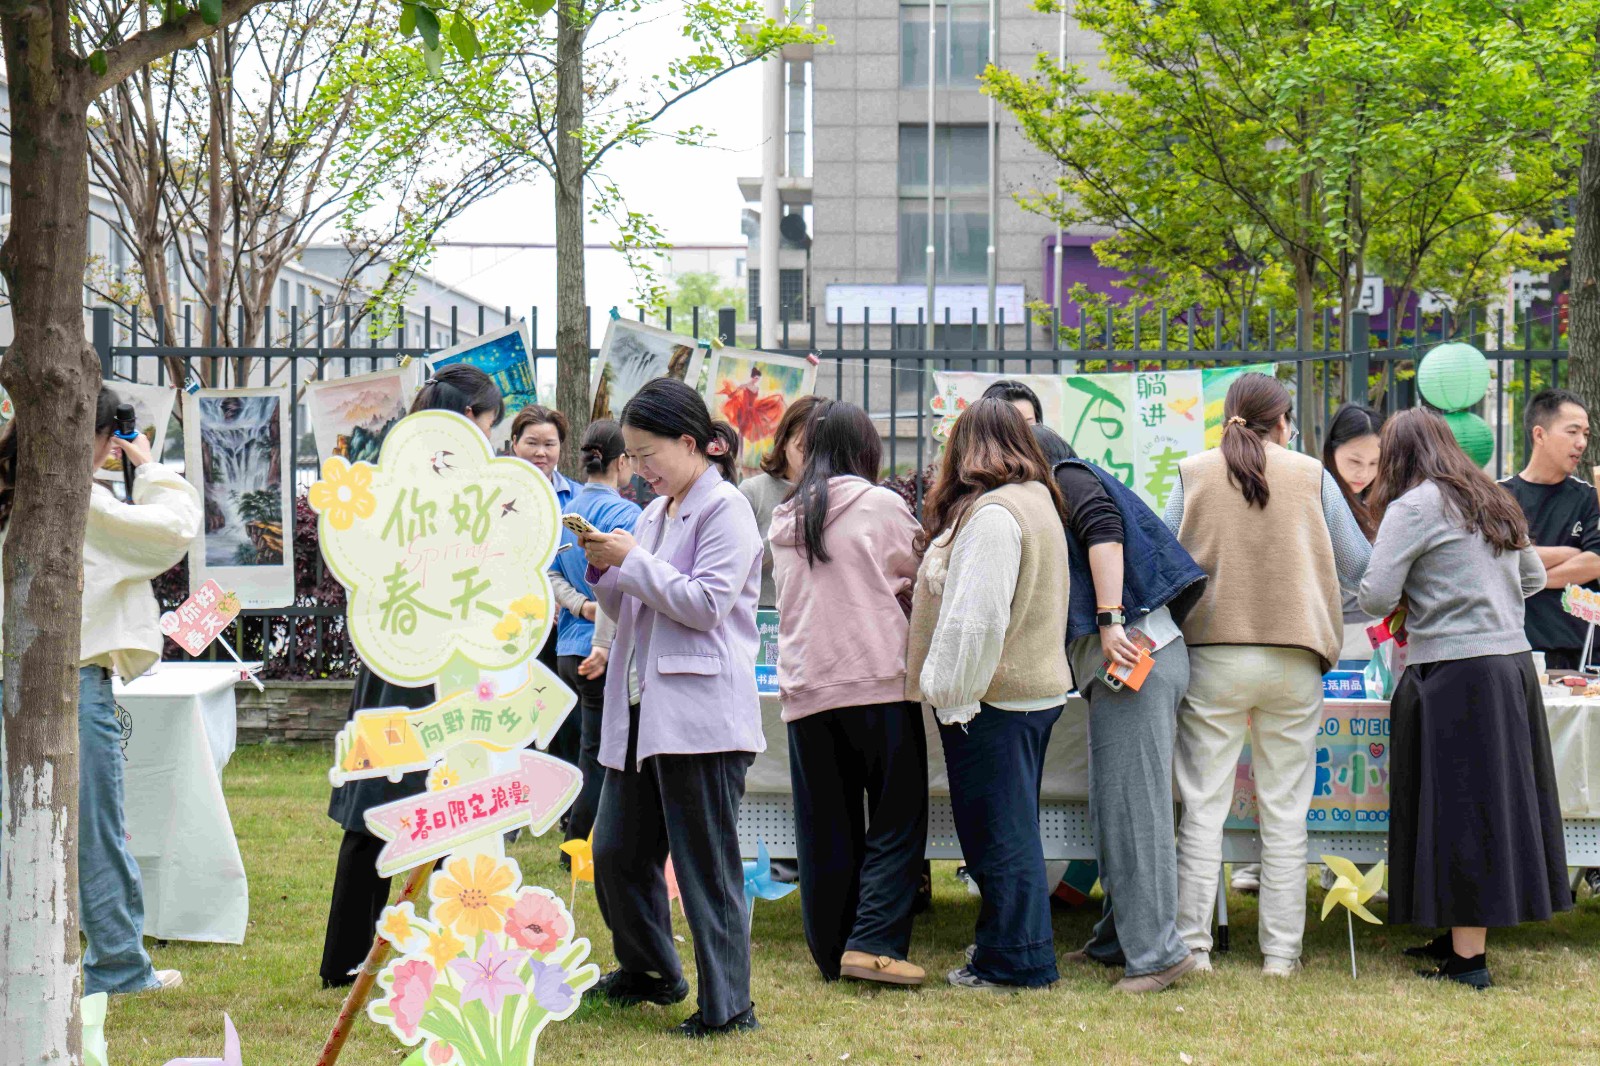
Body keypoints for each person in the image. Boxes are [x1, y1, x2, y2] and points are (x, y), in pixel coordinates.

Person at [1163, 372, 1370, 977]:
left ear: (1227, 416)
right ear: (1284, 422)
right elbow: (1359, 566)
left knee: (1202, 807)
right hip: (1296, 654)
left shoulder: (1193, 472)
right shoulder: (1313, 475)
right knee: (1286, 810)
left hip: (1214, 654)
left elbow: (1162, 556)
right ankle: (1281, 955)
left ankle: (1193, 949)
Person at [578, 377, 765, 1037]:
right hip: (640, 710)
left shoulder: (727, 509)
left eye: (648, 453)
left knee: (705, 867)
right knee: (618, 853)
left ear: (691, 444)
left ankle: (728, 1008)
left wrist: (633, 561)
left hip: (702, 716)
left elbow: (705, 604)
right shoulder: (654, 514)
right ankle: (651, 970)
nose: (639, 469)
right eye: (631, 455)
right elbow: (631, 607)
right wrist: (605, 569)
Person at [1360, 407, 1569, 989]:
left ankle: (1469, 963)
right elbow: (1531, 577)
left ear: (1398, 458)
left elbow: (1376, 596)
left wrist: (1422, 600)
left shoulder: (1412, 507)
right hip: (1509, 666)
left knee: (1457, 814)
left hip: (1453, 672)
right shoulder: (1493, 497)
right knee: (1482, 807)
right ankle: (1458, 936)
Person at [0, 387, 200, 995]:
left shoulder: (13, 488)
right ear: (97, 437)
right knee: (93, 830)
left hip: (16, 670)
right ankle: (117, 965)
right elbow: (173, 530)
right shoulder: (77, 498)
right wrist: (147, 462)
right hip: (67, 678)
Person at [320, 366, 504, 987]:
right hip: (413, 660)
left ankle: (396, 951)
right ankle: (365, 953)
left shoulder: (402, 466)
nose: (492, 437)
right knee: (396, 801)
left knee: (423, 803)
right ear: (468, 417)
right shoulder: (426, 475)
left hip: (421, 657)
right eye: (489, 423)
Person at [1033, 425, 1207, 994]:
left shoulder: (1068, 477)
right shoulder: (1068, 480)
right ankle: (1118, 938)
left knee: (1137, 812)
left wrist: (1109, 621)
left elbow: (1104, 530)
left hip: (1136, 659)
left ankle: (1158, 956)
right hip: (1134, 663)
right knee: (1114, 809)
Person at [908, 397, 1071, 991]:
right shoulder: (1036, 501)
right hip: (1024, 691)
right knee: (1009, 831)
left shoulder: (997, 514)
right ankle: (1014, 951)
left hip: (992, 698)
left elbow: (975, 622)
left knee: (998, 837)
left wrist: (948, 692)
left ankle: (1016, 961)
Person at [768, 400, 926, 986]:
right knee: (896, 814)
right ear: (865, 448)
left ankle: (832, 949)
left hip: (807, 687)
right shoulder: (881, 505)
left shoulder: (786, 518)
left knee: (824, 826)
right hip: (877, 680)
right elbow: (920, 574)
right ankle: (875, 944)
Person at [545, 420, 641, 848]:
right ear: (622, 461)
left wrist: (575, 605)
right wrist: (598, 624)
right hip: (603, 651)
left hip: (567, 647)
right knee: (602, 753)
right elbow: (622, 581)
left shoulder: (561, 511)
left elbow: (548, 573)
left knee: (588, 747)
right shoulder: (628, 515)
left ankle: (581, 838)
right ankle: (581, 844)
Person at [507, 404, 582, 776]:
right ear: (513, 444)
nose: (541, 453)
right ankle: (513, 805)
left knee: (565, 710)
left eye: (549, 444)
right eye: (532, 443)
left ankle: (568, 804)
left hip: (564, 624)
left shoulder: (578, 498)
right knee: (513, 713)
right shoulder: (494, 495)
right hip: (510, 626)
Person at [738, 393, 823, 609]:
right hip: (762, 612)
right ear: (784, 442)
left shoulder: (834, 495)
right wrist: (787, 531)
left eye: (819, 450)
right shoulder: (753, 491)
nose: (810, 459)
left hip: (812, 615)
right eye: (803, 448)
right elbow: (735, 562)